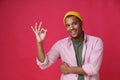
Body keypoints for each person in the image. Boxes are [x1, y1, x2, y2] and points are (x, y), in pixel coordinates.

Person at [31, 11, 104, 80]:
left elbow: (93, 69)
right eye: (68, 25)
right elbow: (44, 64)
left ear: (81, 23)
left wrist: (68, 69)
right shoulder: (60, 45)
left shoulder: (96, 42)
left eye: (74, 24)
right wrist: (39, 42)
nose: (71, 28)